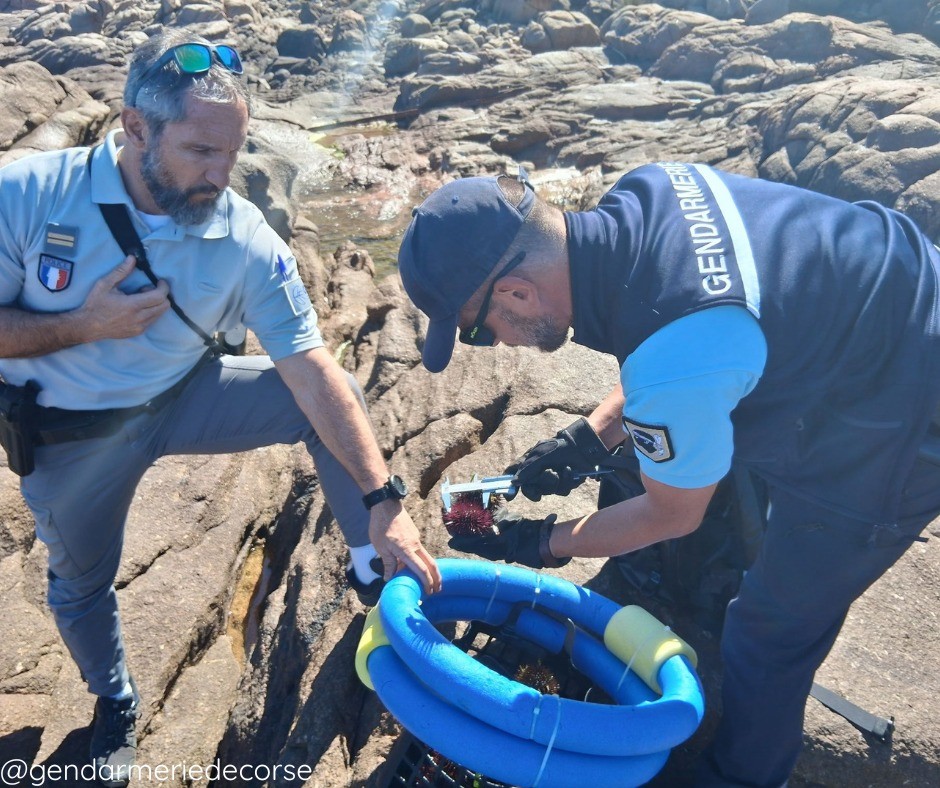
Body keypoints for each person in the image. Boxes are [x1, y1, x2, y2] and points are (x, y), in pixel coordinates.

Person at [397, 164, 940, 786]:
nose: (493, 343)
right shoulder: (650, 189)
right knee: (681, 447)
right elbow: (686, 346)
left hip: (908, 413)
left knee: (767, 632)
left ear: (518, 293)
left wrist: (541, 542)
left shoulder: (673, 360)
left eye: (477, 332)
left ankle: (740, 776)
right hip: (893, 291)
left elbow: (672, 510)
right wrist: (582, 442)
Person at [0, 27, 441, 786]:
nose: (219, 174)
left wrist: (382, 500)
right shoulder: (31, 194)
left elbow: (310, 368)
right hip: (73, 435)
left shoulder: (243, 236)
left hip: (182, 397)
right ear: (135, 127)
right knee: (79, 588)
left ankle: (372, 579)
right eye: (200, 153)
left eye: (232, 153)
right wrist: (84, 325)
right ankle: (116, 702)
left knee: (334, 404)